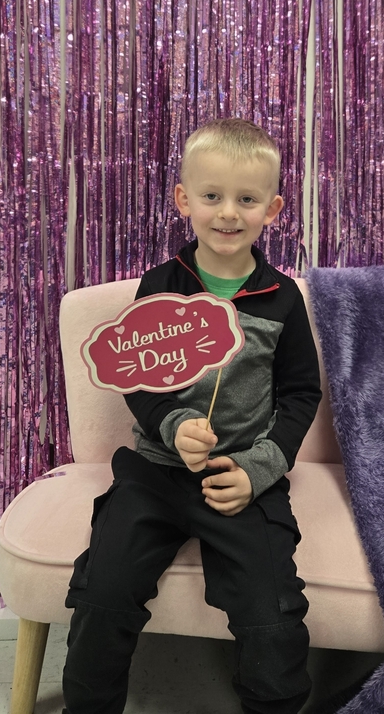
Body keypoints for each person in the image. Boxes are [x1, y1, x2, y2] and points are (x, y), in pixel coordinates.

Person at [62, 118, 322, 714]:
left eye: (247, 199)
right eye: (212, 196)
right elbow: (133, 378)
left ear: (272, 209)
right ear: (184, 200)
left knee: (272, 613)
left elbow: (302, 395)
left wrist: (258, 469)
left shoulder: (282, 299)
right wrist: (175, 425)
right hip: (153, 473)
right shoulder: (160, 286)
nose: (228, 213)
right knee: (102, 593)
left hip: (239, 480)